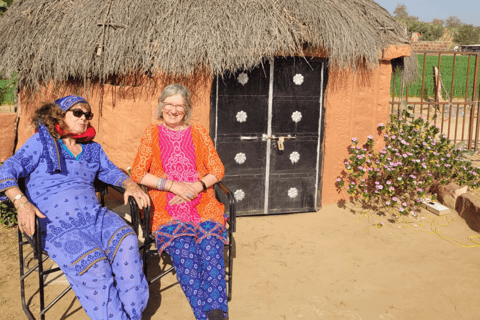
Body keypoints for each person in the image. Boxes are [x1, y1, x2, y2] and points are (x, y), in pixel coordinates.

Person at [0, 95, 150, 320]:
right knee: (95, 265)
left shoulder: (93, 149)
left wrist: (130, 184)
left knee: (128, 242)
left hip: (95, 216)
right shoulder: (40, 143)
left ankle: (132, 315)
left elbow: (110, 171)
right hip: (56, 223)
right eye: (77, 113)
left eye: (87, 115)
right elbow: (7, 169)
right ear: (59, 116)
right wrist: (21, 203)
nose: (84, 118)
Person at [131, 84, 228, 320]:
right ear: (161, 105)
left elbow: (217, 169)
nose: (173, 110)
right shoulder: (151, 133)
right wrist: (173, 186)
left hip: (202, 202)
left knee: (210, 244)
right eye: (169, 104)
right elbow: (137, 172)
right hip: (167, 205)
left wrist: (196, 187)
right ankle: (205, 315)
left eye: (179, 106)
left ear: (186, 110)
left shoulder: (199, 132)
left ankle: (216, 311)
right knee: (185, 249)